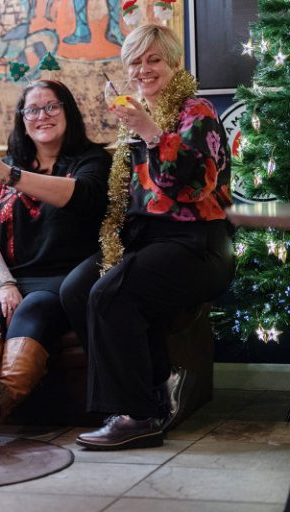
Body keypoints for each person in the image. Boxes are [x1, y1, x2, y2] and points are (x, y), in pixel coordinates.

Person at [59, 24, 234, 451]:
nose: (144, 69)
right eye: (135, 61)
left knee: (110, 293)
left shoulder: (198, 112)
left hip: (199, 245)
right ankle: (157, 382)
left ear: (174, 63)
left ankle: (138, 415)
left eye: (153, 59)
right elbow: (125, 196)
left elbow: (190, 188)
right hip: (148, 241)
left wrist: (150, 131)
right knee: (77, 289)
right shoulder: (134, 119)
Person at [0, 80, 111, 449]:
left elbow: (82, 197)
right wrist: (3, 282)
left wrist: (10, 176)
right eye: (32, 109)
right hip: (9, 277)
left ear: (67, 112)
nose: (41, 116)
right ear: (22, 119)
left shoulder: (91, 161)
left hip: (62, 279)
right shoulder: (3, 168)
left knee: (36, 307)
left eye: (51, 107)